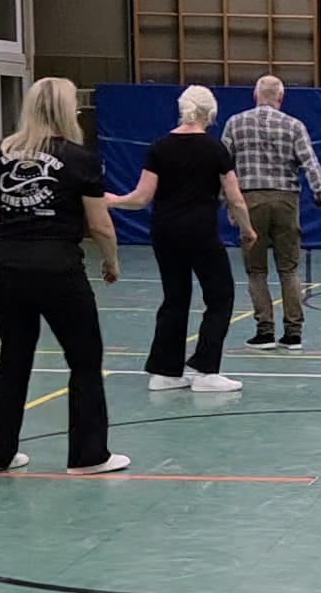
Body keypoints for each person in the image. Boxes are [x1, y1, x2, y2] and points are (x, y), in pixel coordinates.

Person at [0, 77, 129, 476]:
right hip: (56, 268)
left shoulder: (1, 151)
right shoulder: (80, 158)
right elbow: (100, 225)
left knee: (13, 358)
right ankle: (88, 456)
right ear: (68, 111)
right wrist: (111, 261)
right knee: (84, 360)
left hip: (4, 267)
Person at [107, 85, 258, 393]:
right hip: (201, 233)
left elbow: (141, 197)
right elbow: (235, 198)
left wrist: (113, 200)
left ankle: (164, 372)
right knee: (220, 295)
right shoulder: (216, 149)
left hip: (165, 232)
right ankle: (206, 370)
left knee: (175, 297)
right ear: (210, 113)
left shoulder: (160, 147)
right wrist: (247, 230)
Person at [221, 76, 321, 350]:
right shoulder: (294, 126)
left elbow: (224, 169)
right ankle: (293, 333)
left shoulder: (235, 124)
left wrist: (228, 203)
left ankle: (264, 331)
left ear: (255, 95)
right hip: (286, 200)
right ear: (281, 98)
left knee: (256, 270)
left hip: (249, 201)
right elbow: (311, 165)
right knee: (289, 269)